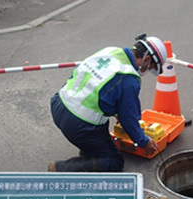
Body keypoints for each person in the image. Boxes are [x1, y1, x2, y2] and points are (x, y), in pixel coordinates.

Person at [48, 35, 166, 172]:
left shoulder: (111, 51)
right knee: (114, 161)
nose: (146, 70)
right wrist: (144, 142)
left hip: (59, 103)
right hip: (77, 124)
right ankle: (62, 169)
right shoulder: (129, 78)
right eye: (149, 67)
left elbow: (95, 83)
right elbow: (128, 119)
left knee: (103, 122)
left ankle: (90, 149)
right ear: (146, 59)